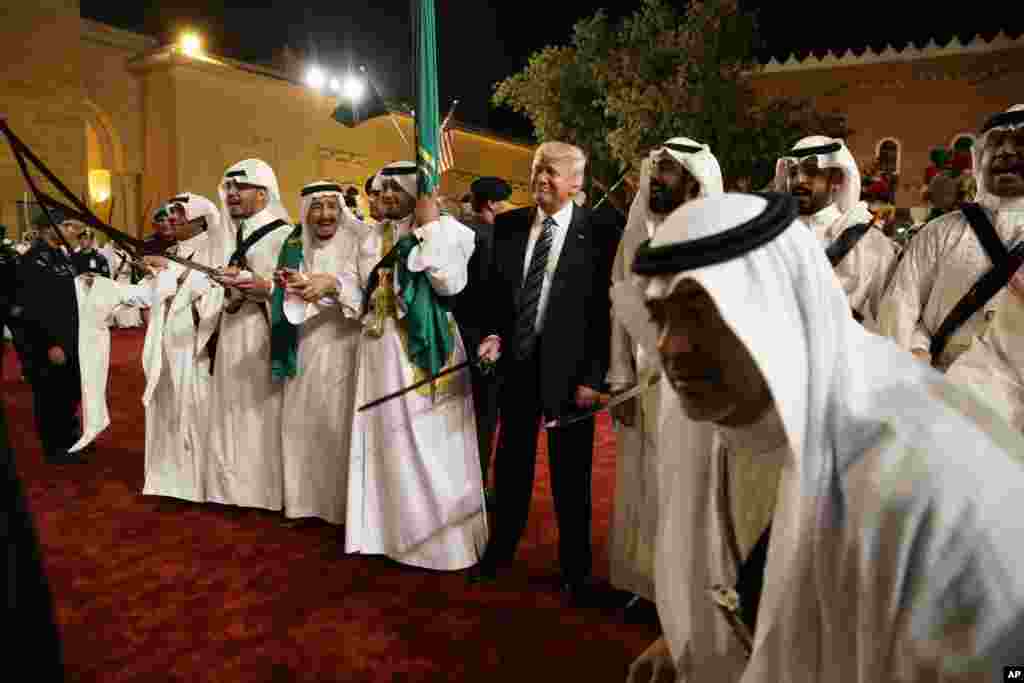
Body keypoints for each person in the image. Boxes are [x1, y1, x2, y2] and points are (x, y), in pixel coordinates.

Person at [618, 191, 1024, 683]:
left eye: (701, 312)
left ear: (779, 309)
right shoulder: (710, 414)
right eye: (660, 316)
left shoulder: (928, 474)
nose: (670, 347)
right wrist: (694, 638)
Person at [471, 142, 620, 603]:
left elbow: (604, 312)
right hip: (517, 368)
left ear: (576, 181)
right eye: (537, 169)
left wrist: (594, 378)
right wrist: (491, 334)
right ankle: (500, 552)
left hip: (571, 376)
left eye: (552, 171)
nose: (541, 178)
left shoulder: (600, 231)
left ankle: (576, 570)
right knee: (510, 466)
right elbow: (492, 295)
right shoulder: (509, 225)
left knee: (571, 477)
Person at [345, 161, 486, 570]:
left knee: (428, 440)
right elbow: (357, 292)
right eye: (382, 187)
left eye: (397, 188)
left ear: (416, 193)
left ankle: (438, 545)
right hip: (378, 351)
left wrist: (429, 227)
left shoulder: (452, 231)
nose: (387, 195)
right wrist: (329, 286)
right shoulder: (370, 237)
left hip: (423, 351)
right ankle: (386, 534)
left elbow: (449, 283)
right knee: (386, 438)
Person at [607, 137, 723, 612]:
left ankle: (687, 593)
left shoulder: (717, 234)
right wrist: (619, 379)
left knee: (688, 487)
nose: (656, 178)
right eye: (655, 168)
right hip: (642, 378)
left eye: (668, 170)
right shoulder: (637, 230)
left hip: (696, 388)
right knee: (642, 480)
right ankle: (645, 583)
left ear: (693, 180)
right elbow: (619, 307)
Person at [878, 104, 1024, 372]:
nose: (1005, 151)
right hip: (936, 387)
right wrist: (915, 354)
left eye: (1020, 141)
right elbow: (900, 309)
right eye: (996, 143)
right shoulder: (938, 232)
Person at [271, 180, 368, 525]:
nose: (325, 214)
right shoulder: (293, 245)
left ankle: (341, 511)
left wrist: (333, 285)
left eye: (331, 206)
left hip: (345, 345)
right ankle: (302, 504)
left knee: (337, 426)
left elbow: (366, 293)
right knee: (301, 424)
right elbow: (280, 294)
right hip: (304, 345)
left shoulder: (360, 239)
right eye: (317, 207)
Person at [204, 159, 294, 511]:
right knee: (232, 407)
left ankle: (262, 492)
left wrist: (262, 287)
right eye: (228, 188)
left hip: (262, 334)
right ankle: (232, 489)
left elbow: (291, 288)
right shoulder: (235, 235)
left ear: (263, 193)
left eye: (239, 188)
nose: (231, 194)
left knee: (260, 410)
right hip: (234, 331)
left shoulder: (283, 234)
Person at [140, 192, 225, 503]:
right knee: (166, 410)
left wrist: (172, 272)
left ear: (200, 220)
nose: (171, 217)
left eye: (179, 211)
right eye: (170, 211)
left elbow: (213, 289)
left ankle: (196, 485)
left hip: (194, 347)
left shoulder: (216, 251)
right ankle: (167, 480)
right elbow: (148, 294)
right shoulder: (173, 252)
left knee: (194, 411)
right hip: (166, 343)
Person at [775, 136, 897, 330]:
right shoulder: (774, 238)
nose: (799, 180)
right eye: (793, 173)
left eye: (811, 172)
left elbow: (888, 321)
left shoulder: (870, 243)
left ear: (837, 179)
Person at [13, 208, 86, 463]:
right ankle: (55, 446)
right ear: (48, 228)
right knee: (51, 395)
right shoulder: (33, 260)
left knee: (70, 390)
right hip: (49, 341)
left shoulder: (62, 256)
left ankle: (71, 436)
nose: (72, 231)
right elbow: (34, 308)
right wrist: (50, 343)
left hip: (71, 335)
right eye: (66, 226)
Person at [456, 175, 511, 497]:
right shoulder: (492, 238)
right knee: (483, 415)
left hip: (456, 334)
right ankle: (476, 487)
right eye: (507, 201)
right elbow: (496, 295)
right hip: (483, 340)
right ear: (492, 203)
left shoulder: (459, 231)